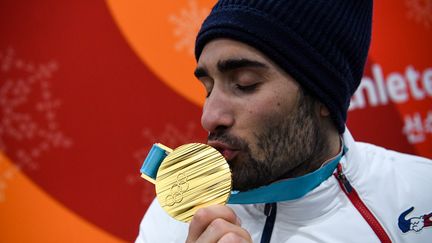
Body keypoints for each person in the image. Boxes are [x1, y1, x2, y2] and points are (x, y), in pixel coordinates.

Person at [136, 0, 432, 242]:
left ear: (322, 97)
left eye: (245, 83)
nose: (209, 117)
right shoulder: (172, 218)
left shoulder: (421, 194)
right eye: (208, 89)